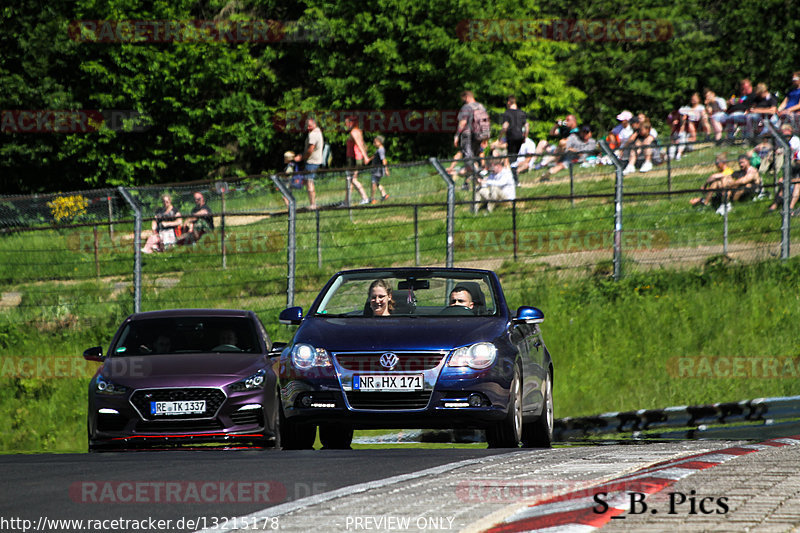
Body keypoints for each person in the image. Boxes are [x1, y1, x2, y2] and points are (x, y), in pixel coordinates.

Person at [454, 90, 488, 190]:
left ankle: (480, 178)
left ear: (466, 97)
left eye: (463, 99)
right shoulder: (481, 107)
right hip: (480, 135)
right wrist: (485, 138)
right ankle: (469, 183)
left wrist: (457, 135)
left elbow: (463, 122)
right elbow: (485, 122)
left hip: (468, 136)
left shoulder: (466, 107)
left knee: (468, 160)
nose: (463, 101)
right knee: (475, 158)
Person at [294, 116, 323, 209]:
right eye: (307, 126)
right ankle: (312, 203)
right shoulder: (318, 131)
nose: (308, 128)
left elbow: (310, 150)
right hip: (316, 160)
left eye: (310, 126)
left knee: (309, 182)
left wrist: (301, 157)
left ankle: (313, 204)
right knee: (308, 182)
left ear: (315, 124)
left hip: (312, 162)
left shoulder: (313, 135)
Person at [500, 95, 528, 184]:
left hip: (511, 137)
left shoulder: (507, 113)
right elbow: (527, 127)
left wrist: (500, 137)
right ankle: (514, 178)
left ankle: (515, 180)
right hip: (520, 137)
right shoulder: (522, 113)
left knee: (511, 158)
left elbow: (505, 126)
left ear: (509, 102)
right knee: (514, 157)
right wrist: (525, 137)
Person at [344, 116, 371, 205]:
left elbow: (360, 145)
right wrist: (364, 156)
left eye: (347, 123)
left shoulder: (353, 133)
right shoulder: (359, 131)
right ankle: (347, 201)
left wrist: (365, 157)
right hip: (357, 158)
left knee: (351, 179)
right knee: (350, 180)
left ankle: (365, 198)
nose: (345, 125)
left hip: (354, 159)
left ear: (351, 123)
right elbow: (363, 144)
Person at [370, 135, 390, 204]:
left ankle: (372, 199)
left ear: (380, 142)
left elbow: (384, 160)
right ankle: (384, 195)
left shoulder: (381, 150)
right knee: (376, 183)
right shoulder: (379, 149)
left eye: (375, 142)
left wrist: (386, 170)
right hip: (376, 170)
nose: (373, 143)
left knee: (373, 183)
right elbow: (374, 156)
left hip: (377, 170)